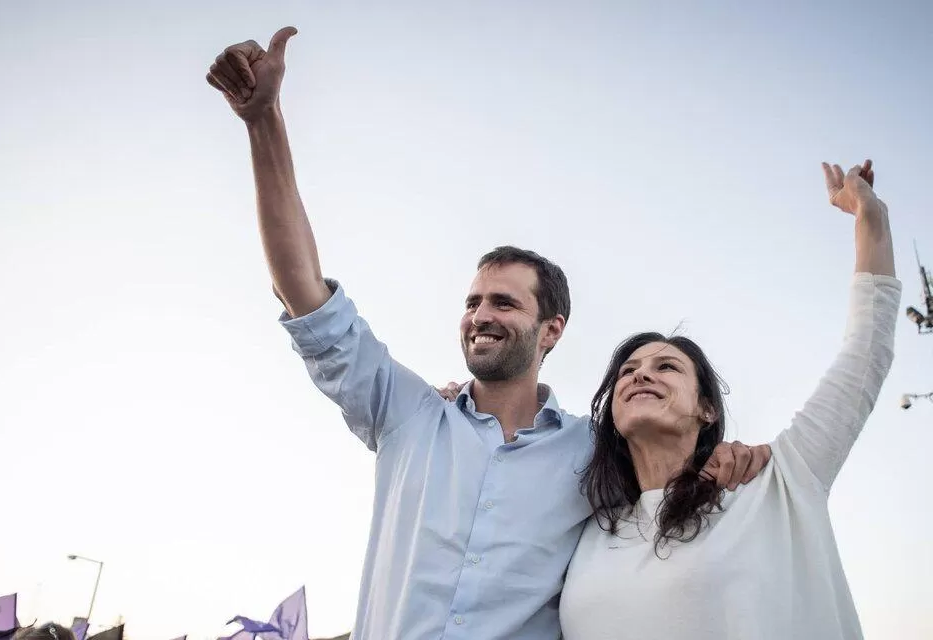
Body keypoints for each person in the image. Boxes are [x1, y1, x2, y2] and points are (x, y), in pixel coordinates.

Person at [206, 27, 771, 640]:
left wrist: (732, 458)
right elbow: (305, 292)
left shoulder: (596, 452)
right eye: (472, 301)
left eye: (504, 302)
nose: (481, 315)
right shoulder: (406, 414)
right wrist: (263, 122)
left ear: (552, 329)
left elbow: (673, 476)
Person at [559, 160, 899, 639]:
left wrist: (870, 217)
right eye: (628, 372)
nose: (641, 376)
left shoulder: (776, 484)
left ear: (707, 408)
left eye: (667, 367)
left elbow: (867, 351)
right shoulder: (590, 529)